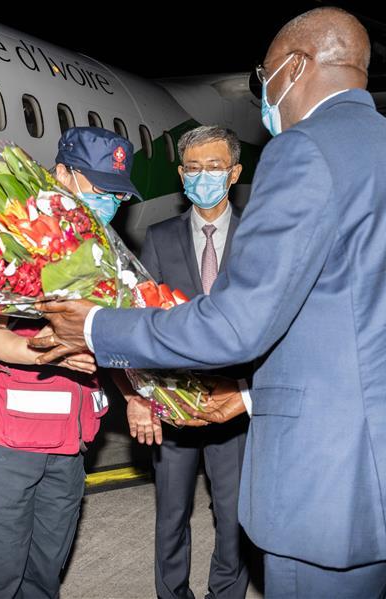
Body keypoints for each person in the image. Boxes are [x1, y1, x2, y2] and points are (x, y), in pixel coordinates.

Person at [29, 8, 386, 598]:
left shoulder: (305, 150)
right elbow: (357, 319)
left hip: (333, 477)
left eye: (262, 76)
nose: (263, 94)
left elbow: (238, 325)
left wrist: (98, 327)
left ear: (293, 67)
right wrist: (245, 393)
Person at [0, 126, 141, 599]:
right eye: (99, 188)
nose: (109, 201)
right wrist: (52, 348)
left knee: (44, 571)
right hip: (2, 438)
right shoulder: (11, 237)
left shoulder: (107, 254)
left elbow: (110, 338)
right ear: (62, 174)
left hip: (70, 441)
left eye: (118, 193)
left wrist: (134, 395)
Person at [133, 125, 250, 599]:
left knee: (234, 514)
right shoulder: (159, 238)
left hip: (236, 399)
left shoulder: (260, 234)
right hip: (174, 400)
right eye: (195, 168)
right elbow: (142, 319)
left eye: (216, 167)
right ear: (182, 175)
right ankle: (172, 592)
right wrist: (145, 396)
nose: (205, 176)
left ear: (235, 172)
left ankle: (226, 592)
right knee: (171, 512)